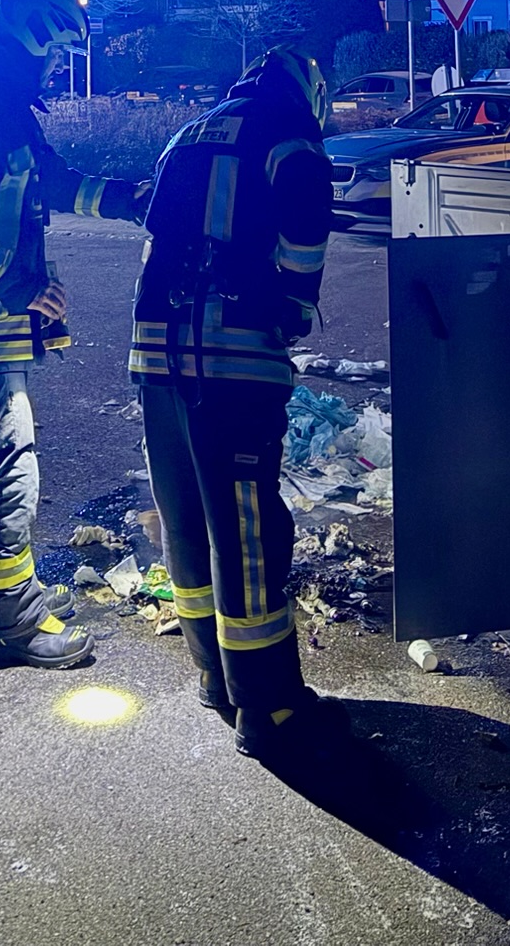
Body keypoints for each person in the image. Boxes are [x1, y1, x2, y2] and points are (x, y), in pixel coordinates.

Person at [0, 0, 147, 669]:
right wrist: (26, 290)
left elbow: (50, 179)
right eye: (52, 54)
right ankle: (7, 622)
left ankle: (4, 596)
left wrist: (129, 199)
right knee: (0, 470)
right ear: (29, 41)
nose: (54, 68)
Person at [129, 43, 339, 760]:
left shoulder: (189, 132)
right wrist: (294, 304)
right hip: (230, 355)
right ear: (308, 92)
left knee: (186, 517)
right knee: (248, 529)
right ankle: (268, 705)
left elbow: (156, 226)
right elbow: (306, 233)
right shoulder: (290, 136)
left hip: (154, 351)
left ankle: (214, 676)